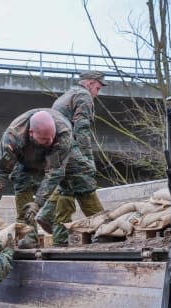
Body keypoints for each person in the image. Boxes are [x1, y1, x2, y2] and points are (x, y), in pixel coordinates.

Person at [36, 71, 107, 246]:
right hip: (66, 147)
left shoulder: (65, 96)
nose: (97, 93)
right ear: (90, 83)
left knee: (66, 188)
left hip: (52, 150)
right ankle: (104, 230)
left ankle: (50, 221)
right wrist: (87, 159)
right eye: (97, 88)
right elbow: (82, 131)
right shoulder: (84, 96)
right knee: (85, 184)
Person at [0, 108, 74, 248]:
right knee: (21, 181)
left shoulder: (63, 135)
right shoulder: (13, 137)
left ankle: (60, 236)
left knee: (74, 182)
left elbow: (55, 173)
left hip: (58, 156)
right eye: (45, 139)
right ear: (31, 133)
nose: (49, 141)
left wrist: (37, 203)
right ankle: (29, 236)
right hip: (25, 158)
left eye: (51, 137)